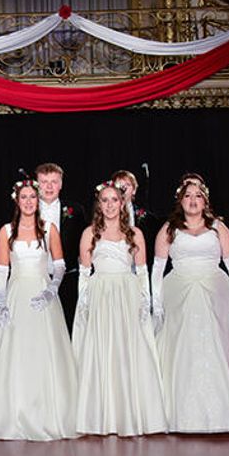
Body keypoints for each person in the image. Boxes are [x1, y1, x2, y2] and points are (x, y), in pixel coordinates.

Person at [151, 175, 229, 433]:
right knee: (181, 345)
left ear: (205, 201)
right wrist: (157, 303)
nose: (193, 200)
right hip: (179, 290)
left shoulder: (218, 228)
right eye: (188, 196)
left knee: (216, 343)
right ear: (180, 200)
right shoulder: (169, 229)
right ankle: (175, 413)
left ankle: (225, 413)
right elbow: (157, 268)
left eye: (198, 196)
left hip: (214, 291)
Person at [0, 179, 77, 440]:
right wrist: (1, 303)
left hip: (42, 293)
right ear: (17, 200)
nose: (28, 202)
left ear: (38, 200)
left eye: (32, 197)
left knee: (43, 350)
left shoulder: (49, 229)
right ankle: (13, 411)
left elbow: (60, 265)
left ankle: (46, 412)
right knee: (16, 350)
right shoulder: (6, 231)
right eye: (23, 197)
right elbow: (2, 270)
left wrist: (51, 289)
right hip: (16, 294)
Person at [74, 181, 163, 437]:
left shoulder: (134, 233)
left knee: (127, 350)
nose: (110, 205)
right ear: (99, 205)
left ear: (122, 203)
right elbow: (84, 271)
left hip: (126, 293)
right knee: (101, 349)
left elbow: (142, 271)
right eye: (105, 200)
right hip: (100, 293)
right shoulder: (90, 233)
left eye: (114, 199)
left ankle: (128, 414)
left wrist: (145, 301)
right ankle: (102, 415)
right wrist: (84, 301)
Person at [32, 163, 84, 328]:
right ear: (37, 184)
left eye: (54, 182)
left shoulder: (76, 211)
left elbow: (83, 247)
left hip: (67, 281)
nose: (49, 187)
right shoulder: (26, 209)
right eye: (44, 182)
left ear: (61, 184)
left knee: (66, 327)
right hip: (35, 279)